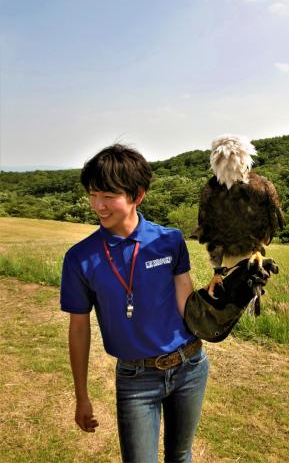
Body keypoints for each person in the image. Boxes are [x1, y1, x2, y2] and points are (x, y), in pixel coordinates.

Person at [60, 144, 209, 463]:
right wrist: (81, 395)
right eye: (92, 194)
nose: (98, 205)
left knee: (180, 456)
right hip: (136, 379)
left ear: (137, 195)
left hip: (190, 366)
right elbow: (78, 330)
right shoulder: (79, 259)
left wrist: (222, 296)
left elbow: (187, 304)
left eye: (108, 196)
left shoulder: (170, 240)